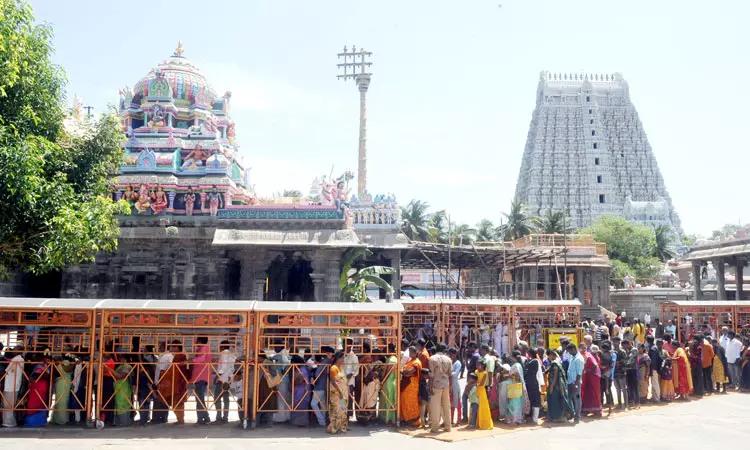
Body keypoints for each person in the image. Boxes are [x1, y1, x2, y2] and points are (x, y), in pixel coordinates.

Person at [157, 340, 188, 424]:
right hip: (176, 381)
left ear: (178, 347)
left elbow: (176, 369)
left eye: (174, 346)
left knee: (177, 400)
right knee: (176, 400)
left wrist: (164, 373)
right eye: (171, 346)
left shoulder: (180, 356)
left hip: (178, 382)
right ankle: (180, 419)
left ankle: (180, 420)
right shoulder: (177, 356)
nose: (171, 348)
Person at [428, 344, 452, 433]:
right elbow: (450, 374)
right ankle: (448, 426)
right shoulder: (449, 359)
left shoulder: (432, 359)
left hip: (436, 384)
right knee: (446, 406)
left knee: (435, 406)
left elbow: (431, 375)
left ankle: (435, 427)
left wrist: (430, 386)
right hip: (446, 384)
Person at [545, 350, 573, 423]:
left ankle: (558, 417)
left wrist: (552, 386)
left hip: (556, 386)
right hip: (559, 385)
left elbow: (555, 375)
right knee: (559, 400)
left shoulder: (555, 363)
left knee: (555, 401)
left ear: (553, 355)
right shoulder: (557, 362)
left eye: (550, 355)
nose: (549, 357)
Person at [213, 340, 237, 424]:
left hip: (222, 379)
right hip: (228, 380)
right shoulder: (232, 354)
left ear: (222, 346)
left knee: (217, 398)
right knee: (226, 399)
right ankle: (225, 417)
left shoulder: (224, 353)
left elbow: (223, 366)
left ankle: (219, 417)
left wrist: (217, 376)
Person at [191, 336, 212, 425]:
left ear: (199, 341)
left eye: (196, 341)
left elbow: (201, 359)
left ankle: (203, 418)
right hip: (199, 376)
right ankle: (204, 417)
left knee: (199, 398)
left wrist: (191, 360)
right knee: (200, 398)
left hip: (201, 376)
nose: (195, 342)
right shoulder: (202, 348)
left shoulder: (204, 348)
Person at [327, 350, 349, 434]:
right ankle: (333, 428)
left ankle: (342, 427)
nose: (343, 360)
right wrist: (340, 392)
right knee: (336, 410)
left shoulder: (341, 368)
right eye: (342, 358)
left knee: (343, 410)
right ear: (338, 358)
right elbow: (333, 382)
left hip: (343, 394)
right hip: (337, 394)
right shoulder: (333, 368)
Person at [400, 346, 422, 427]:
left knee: (411, 402)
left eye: (411, 352)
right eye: (409, 352)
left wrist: (404, 371)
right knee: (404, 400)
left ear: (415, 353)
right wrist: (404, 372)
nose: (409, 354)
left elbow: (409, 372)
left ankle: (414, 420)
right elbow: (405, 372)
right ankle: (405, 418)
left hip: (412, 386)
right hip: (406, 384)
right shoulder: (410, 361)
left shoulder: (416, 362)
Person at [2, 348, 24, 427]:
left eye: (15, 349)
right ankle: (9, 422)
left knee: (8, 405)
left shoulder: (16, 359)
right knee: (10, 405)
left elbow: (7, 371)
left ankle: (9, 422)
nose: (13, 350)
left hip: (10, 385)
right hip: (13, 385)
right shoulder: (19, 359)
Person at [313, 347, 333, 426]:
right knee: (322, 405)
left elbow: (317, 374)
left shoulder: (324, 363)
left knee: (313, 404)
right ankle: (323, 421)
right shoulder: (326, 362)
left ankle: (321, 420)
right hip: (323, 386)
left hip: (319, 387)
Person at [506, 353, 529, 425]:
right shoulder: (518, 365)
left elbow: (517, 377)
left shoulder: (516, 365)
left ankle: (516, 420)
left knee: (515, 403)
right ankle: (516, 419)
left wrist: (509, 376)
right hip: (516, 386)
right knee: (514, 403)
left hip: (515, 386)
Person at [291, 355, 313, 426]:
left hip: (301, 390)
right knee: (301, 406)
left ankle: (300, 422)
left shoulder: (301, 370)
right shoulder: (304, 368)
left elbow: (300, 380)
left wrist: (294, 382)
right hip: (303, 389)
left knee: (300, 405)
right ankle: (301, 422)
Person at [580, 344, 602, 417]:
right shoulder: (580, 355)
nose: (583, 350)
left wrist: (588, 370)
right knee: (586, 393)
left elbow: (594, 365)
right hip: (586, 378)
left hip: (593, 378)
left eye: (584, 348)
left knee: (594, 394)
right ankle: (586, 410)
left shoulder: (588, 355)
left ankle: (597, 411)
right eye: (582, 348)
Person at [523, 348, 542, 424]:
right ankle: (532, 418)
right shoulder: (532, 361)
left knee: (535, 401)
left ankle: (535, 419)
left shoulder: (534, 361)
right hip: (530, 384)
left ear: (530, 354)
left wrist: (526, 361)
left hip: (533, 383)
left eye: (528, 353)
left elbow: (527, 368)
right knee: (531, 400)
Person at [566, 343, 584, 423]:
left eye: (569, 351)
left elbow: (579, 374)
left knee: (577, 400)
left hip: (575, 383)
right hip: (570, 382)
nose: (569, 353)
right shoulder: (572, 357)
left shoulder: (578, 359)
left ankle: (577, 416)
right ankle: (572, 414)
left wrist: (576, 384)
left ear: (573, 349)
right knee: (570, 399)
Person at [474, 359, 493, 430]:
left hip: (481, 391)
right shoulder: (476, 371)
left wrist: (474, 384)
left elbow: (481, 384)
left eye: (479, 364)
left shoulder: (485, 373)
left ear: (483, 365)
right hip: (476, 390)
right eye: (477, 364)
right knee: (476, 406)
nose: (477, 366)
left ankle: (484, 423)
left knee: (482, 407)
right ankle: (476, 422)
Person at [622, 340, 639, 408]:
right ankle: (631, 401)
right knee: (629, 386)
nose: (623, 347)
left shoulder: (634, 350)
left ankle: (637, 402)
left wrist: (624, 364)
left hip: (633, 370)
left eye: (624, 345)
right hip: (628, 370)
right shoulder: (626, 350)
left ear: (628, 344)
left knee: (634, 386)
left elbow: (630, 360)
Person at [599, 342, 615, 412]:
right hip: (608, 376)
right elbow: (611, 366)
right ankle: (610, 408)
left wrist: (603, 369)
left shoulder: (602, 355)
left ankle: (601, 408)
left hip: (603, 376)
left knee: (602, 392)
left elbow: (602, 365)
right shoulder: (610, 355)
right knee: (607, 391)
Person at [449, 348, 462, 426]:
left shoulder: (458, 363)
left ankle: (459, 420)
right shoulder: (450, 362)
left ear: (455, 354)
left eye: (451, 354)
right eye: (449, 354)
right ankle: (451, 420)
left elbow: (455, 374)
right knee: (451, 403)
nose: (450, 356)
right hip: (449, 384)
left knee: (457, 403)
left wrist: (448, 373)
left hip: (455, 384)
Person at [647, 336, 662, 402]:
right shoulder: (654, 347)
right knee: (653, 383)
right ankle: (654, 397)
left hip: (654, 368)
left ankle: (657, 398)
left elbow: (653, 361)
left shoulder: (652, 349)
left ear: (647, 341)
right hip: (655, 368)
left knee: (655, 383)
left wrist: (652, 370)